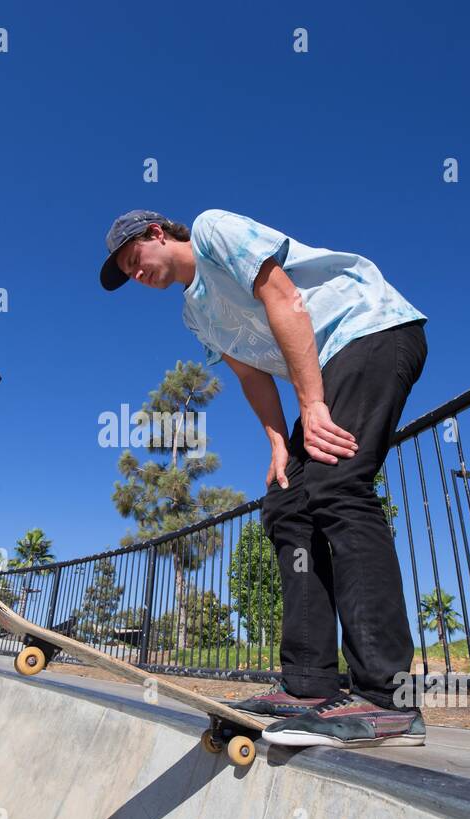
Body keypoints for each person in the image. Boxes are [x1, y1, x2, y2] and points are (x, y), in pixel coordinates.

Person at [100, 209, 428, 749]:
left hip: (369, 330)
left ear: (157, 233)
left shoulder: (210, 232)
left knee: (338, 485)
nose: (138, 275)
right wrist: (279, 442)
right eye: (129, 274)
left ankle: (386, 700)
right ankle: (308, 683)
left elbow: (285, 299)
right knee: (287, 505)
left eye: (135, 260)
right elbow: (250, 374)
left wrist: (313, 404)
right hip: (322, 367)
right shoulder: (193, 312)